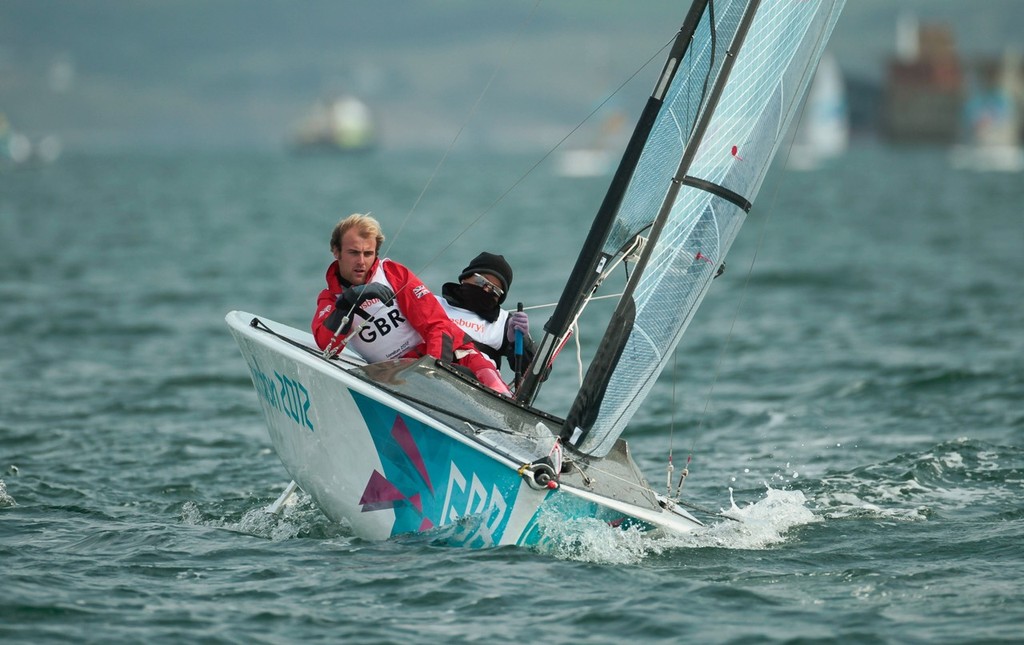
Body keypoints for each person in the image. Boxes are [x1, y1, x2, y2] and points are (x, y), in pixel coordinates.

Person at [311, 213, 510, 395]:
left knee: (499, 394)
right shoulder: (331, 299)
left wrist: (431, 374)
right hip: (398, 377)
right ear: (336, 252)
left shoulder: (392, 274)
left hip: (453, 356)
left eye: (368, 253)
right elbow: (328, 346)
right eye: (354, 253)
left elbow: (436, 325)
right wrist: (348, 301)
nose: (362, 262)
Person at [436, 252, 535, 381]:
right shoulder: (433, 304)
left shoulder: (504, 323)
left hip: (473, 393)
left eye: (495, 290)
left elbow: (538, 375)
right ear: (465, 278)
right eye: (481, 281)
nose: (485, 290)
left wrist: (520, 341)